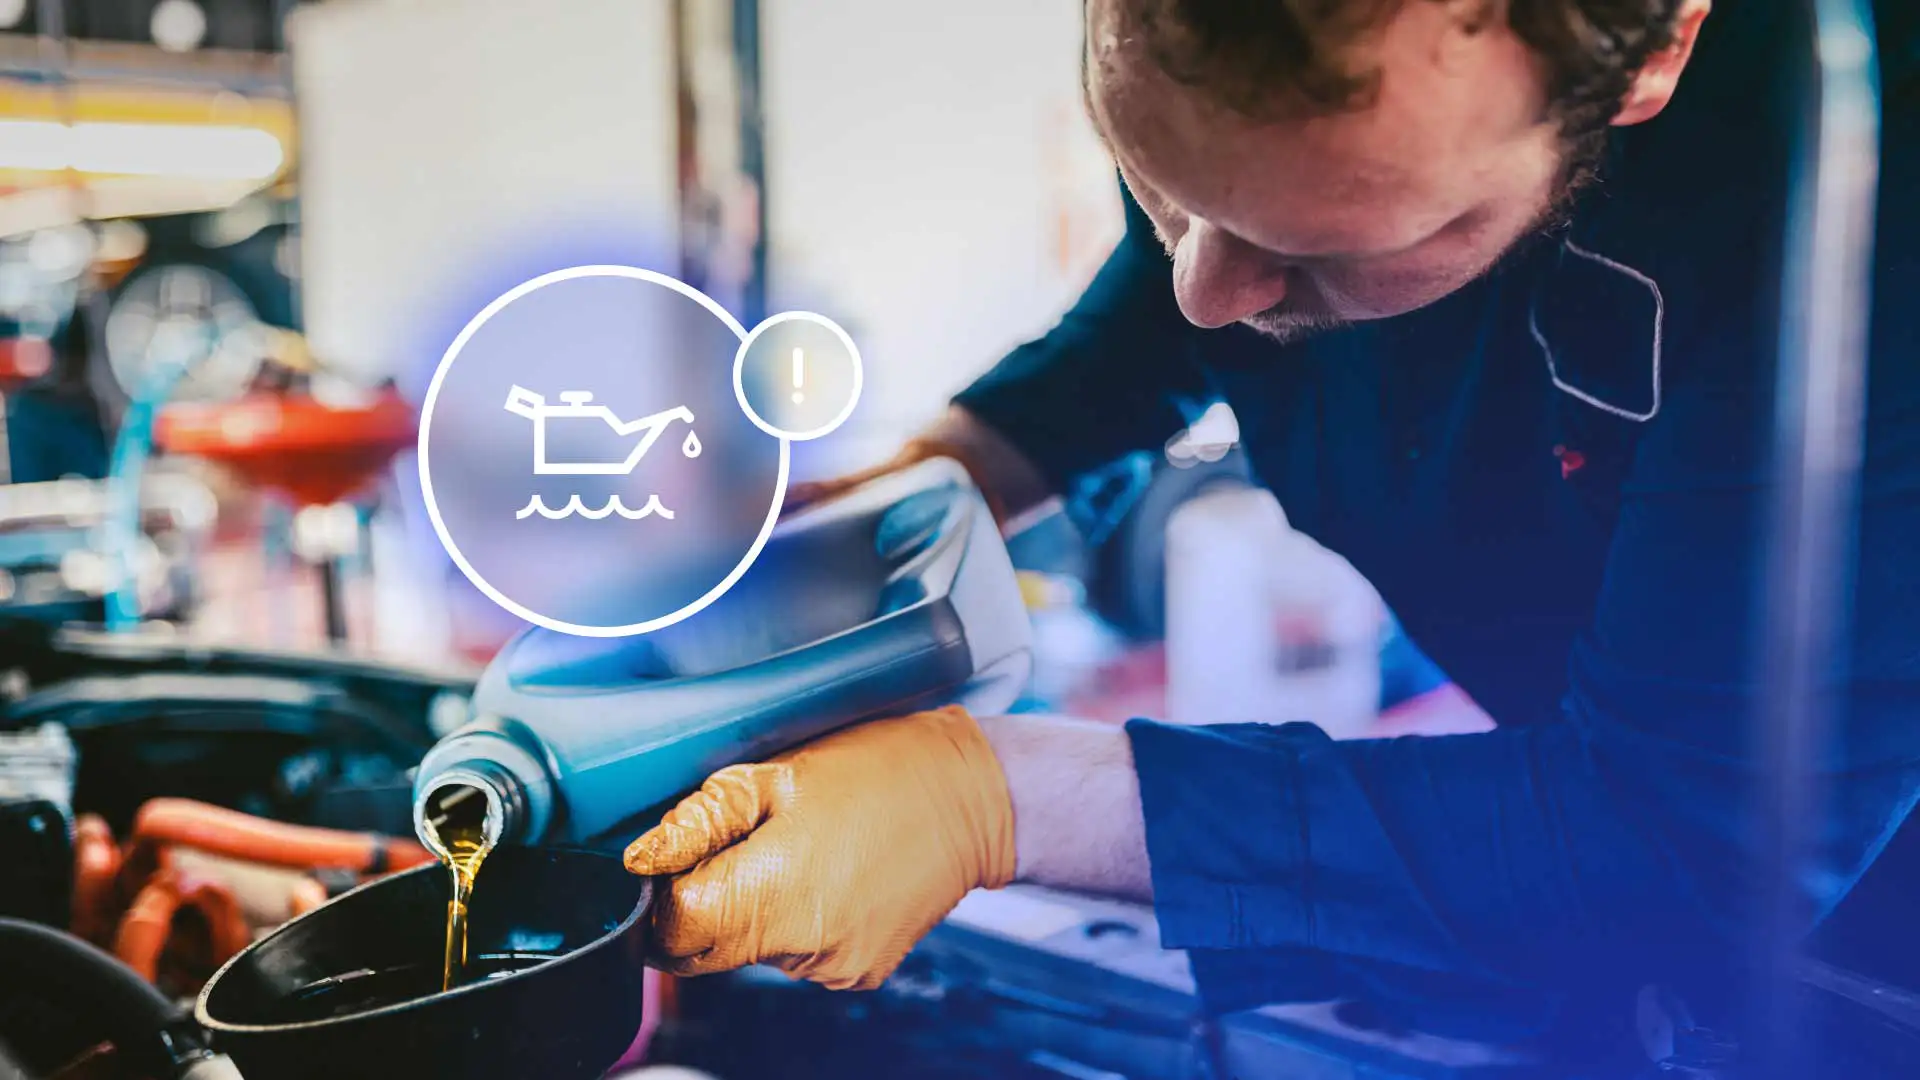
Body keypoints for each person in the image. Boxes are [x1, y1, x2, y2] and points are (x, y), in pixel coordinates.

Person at [624, 0, 1920, 1043]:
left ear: (1661, 45)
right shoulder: (1281, 184)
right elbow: (1167, 297)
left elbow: (1679, 836)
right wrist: (908, 506)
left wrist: (994, 799)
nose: (1209, 293)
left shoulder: (1871, 214)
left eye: (1323, 250)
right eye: (1152, 180)